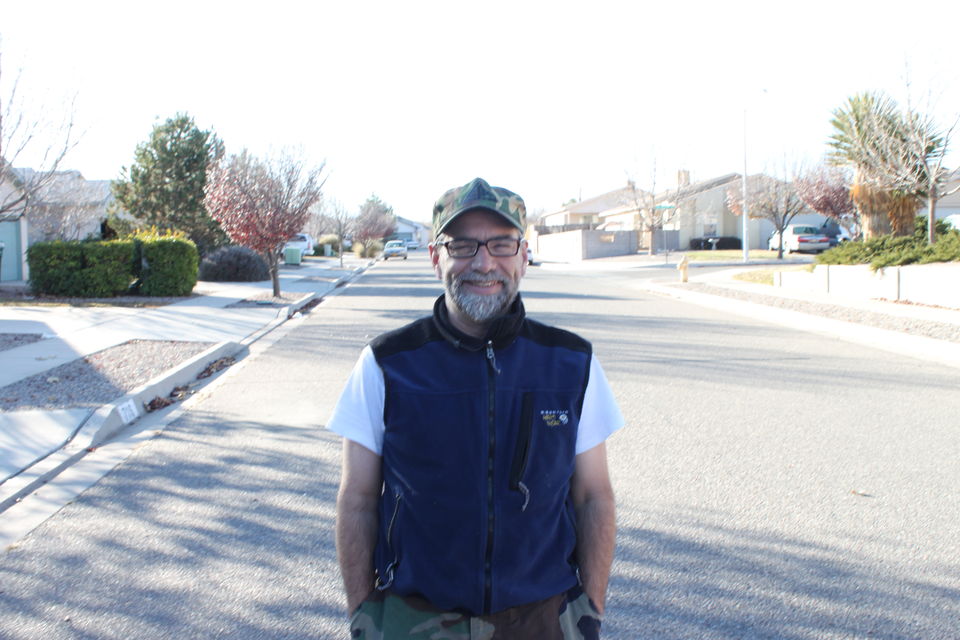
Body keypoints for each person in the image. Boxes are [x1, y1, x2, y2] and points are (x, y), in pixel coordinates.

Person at [329, 177, 624, 639]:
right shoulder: (386, 364)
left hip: (543, 619)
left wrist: (588, 613)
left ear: (523, 257)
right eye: (462, 246)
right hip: (414, 621)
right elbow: (358, 499)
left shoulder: (572, 363)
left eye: (502, 244)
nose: (484, 263)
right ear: (436, 258)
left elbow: (594, 497)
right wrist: (365, 617)